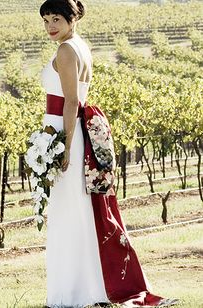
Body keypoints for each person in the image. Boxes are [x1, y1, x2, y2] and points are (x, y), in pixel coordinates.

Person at [40, 0, 178, 307]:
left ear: (71, 19)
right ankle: (93, 287)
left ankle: (76, 292)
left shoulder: (65, 51)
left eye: (56, 19)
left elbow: (71, 101)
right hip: (71, 135)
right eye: (46, 20)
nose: (50, 25)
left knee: (70, 212)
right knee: (82, 212)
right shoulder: (79, 46)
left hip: (68, 137)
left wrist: (62, 146)